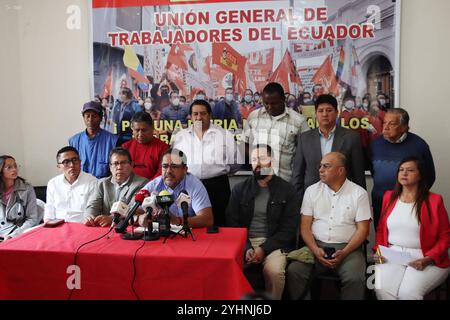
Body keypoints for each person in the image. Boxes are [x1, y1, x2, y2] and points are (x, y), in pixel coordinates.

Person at [286, 152, 371, 300]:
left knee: (355, 277)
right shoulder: (312, 191)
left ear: (340, 170)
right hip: (315, 247)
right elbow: (305, 227)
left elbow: (363, 230)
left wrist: (344, 253)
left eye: (326, 166)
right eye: (320, 166)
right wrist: (315, 249)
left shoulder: (359, 193)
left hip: (348, 249)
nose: (320, 169)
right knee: (295, 271)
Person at [226, 144, 300, 300]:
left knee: (274, 271)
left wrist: (263, 249)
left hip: (274, 243)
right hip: (244, 241)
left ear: (272, 161)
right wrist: (247, 247)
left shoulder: (288, 190)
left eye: (262, 159)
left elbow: (289, 229)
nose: (257, 164)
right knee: (229, 269)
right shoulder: (240, 189)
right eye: (254, 159)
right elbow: (232, 223)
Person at [373, 157, 449, 300]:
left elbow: (445, 237)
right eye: (401, 170)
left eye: (410, 170)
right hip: (392, 254)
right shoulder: (389, 197)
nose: (404, 173)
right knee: (381, 289)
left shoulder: (434, 200)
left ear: (420, 175)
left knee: (407, 294)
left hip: (425, 256)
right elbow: (381, 230)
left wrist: (428, 259)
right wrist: (379, 251)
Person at [173, 99, 238, 227]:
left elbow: (235, 164)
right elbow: (175, 163)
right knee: (190, 223)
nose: (199, 117)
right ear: (190, 116)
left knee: (219, 224)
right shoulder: (180, 136)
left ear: (210, 115)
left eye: (203, 113)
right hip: (189, 186)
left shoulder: (225, 135)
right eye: (195, 114)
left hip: (218, 186)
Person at [292, 94, 366, 201]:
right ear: (315, 114)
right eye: (321, 111)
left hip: (343, 198)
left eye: (329, 110)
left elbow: (358, 176)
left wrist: (360, 202)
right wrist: (298, 203)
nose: (325, 114)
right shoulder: (304, 138)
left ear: (337, 113)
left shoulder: (352, 138)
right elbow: (297, 175)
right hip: (312, 199)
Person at [370, 108, 435, 228]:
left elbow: (430, 176)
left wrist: (413, 197)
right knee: (382, 237)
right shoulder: (375, 144)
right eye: (384, 122)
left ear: (404, 127)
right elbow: (374, 171)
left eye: (392, 123)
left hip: (410, 204)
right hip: (380, 203)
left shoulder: (419, 145)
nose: (386, 127)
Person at [244, 82, 309, 182]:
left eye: (274, 103)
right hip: (259, 182)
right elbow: (245, 144)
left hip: (286, 183)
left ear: (283, 99)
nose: (269, 107)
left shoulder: (298, 121)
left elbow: (305, 154)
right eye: (266, 103)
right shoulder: (253, 117)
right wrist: (257, 161)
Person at [139, 148, 213, 228]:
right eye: (165, 166)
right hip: (161, 234)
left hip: (188, 234)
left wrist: (178, 221)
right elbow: (133, 211)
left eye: (174, 167)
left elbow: (207, 220)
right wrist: (140, 218)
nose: (168, 171)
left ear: (185, 169)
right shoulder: (154, 185)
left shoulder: (194, 184)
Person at [84, 147, 148, 227]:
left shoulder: (142, 184)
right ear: (110, 167)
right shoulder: (101, 184)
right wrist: (89, 216)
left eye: (123, 163)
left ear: (131, 165)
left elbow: (133, 210)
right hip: (103, 228)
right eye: (115, 163)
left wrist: (112, 219)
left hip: (127, 230)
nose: (119, 167)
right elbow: (93, 205)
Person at [44, 146, 97, 223]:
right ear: (59, 167)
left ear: (80, 162)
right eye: (66, 162)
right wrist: (48, 222)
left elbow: (92, 209)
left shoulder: (92, 181)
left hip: (82, 225)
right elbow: (49, 207)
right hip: (58, 226)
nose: (72, 165)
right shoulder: (53, 183)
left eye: (75, 160)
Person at [69, 101, 118, 179]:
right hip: (81, 186)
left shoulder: (113, 140)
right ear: (83, 118)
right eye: (87, 116)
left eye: (94, 116)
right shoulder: (73, 141)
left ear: (101, 118)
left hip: (104, 186)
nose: (90, 119)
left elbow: (116, 169)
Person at [0, 155, 41, 240]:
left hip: (21, 233)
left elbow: (32, 219)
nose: (14, 169)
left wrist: (14, 235)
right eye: (9, 167)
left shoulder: (27, 189)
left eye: (15, 166)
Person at [122, 112, 168, 181]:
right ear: (132, 130)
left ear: (152, 128)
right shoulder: (126, 147)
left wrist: (147, 188)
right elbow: (121, 171)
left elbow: (162, 172)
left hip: (152, 189)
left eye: (144, 130)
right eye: (137, 130)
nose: (140, 134)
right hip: (129, 189)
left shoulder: (163, 147)